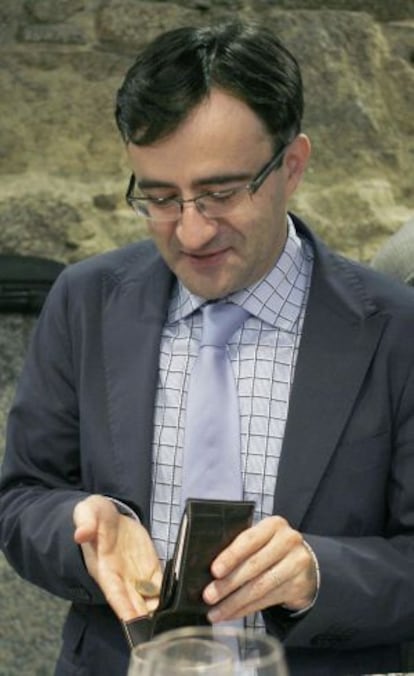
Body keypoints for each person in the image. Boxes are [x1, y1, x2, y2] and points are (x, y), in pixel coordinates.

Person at [1, 20, 414, 676]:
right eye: (160, 198)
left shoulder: (396, 328)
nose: (191, 232)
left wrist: (318, 573)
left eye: (221, 194)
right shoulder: (85, 301)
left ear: (293, 166)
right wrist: (85, 526)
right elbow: (22, 498)